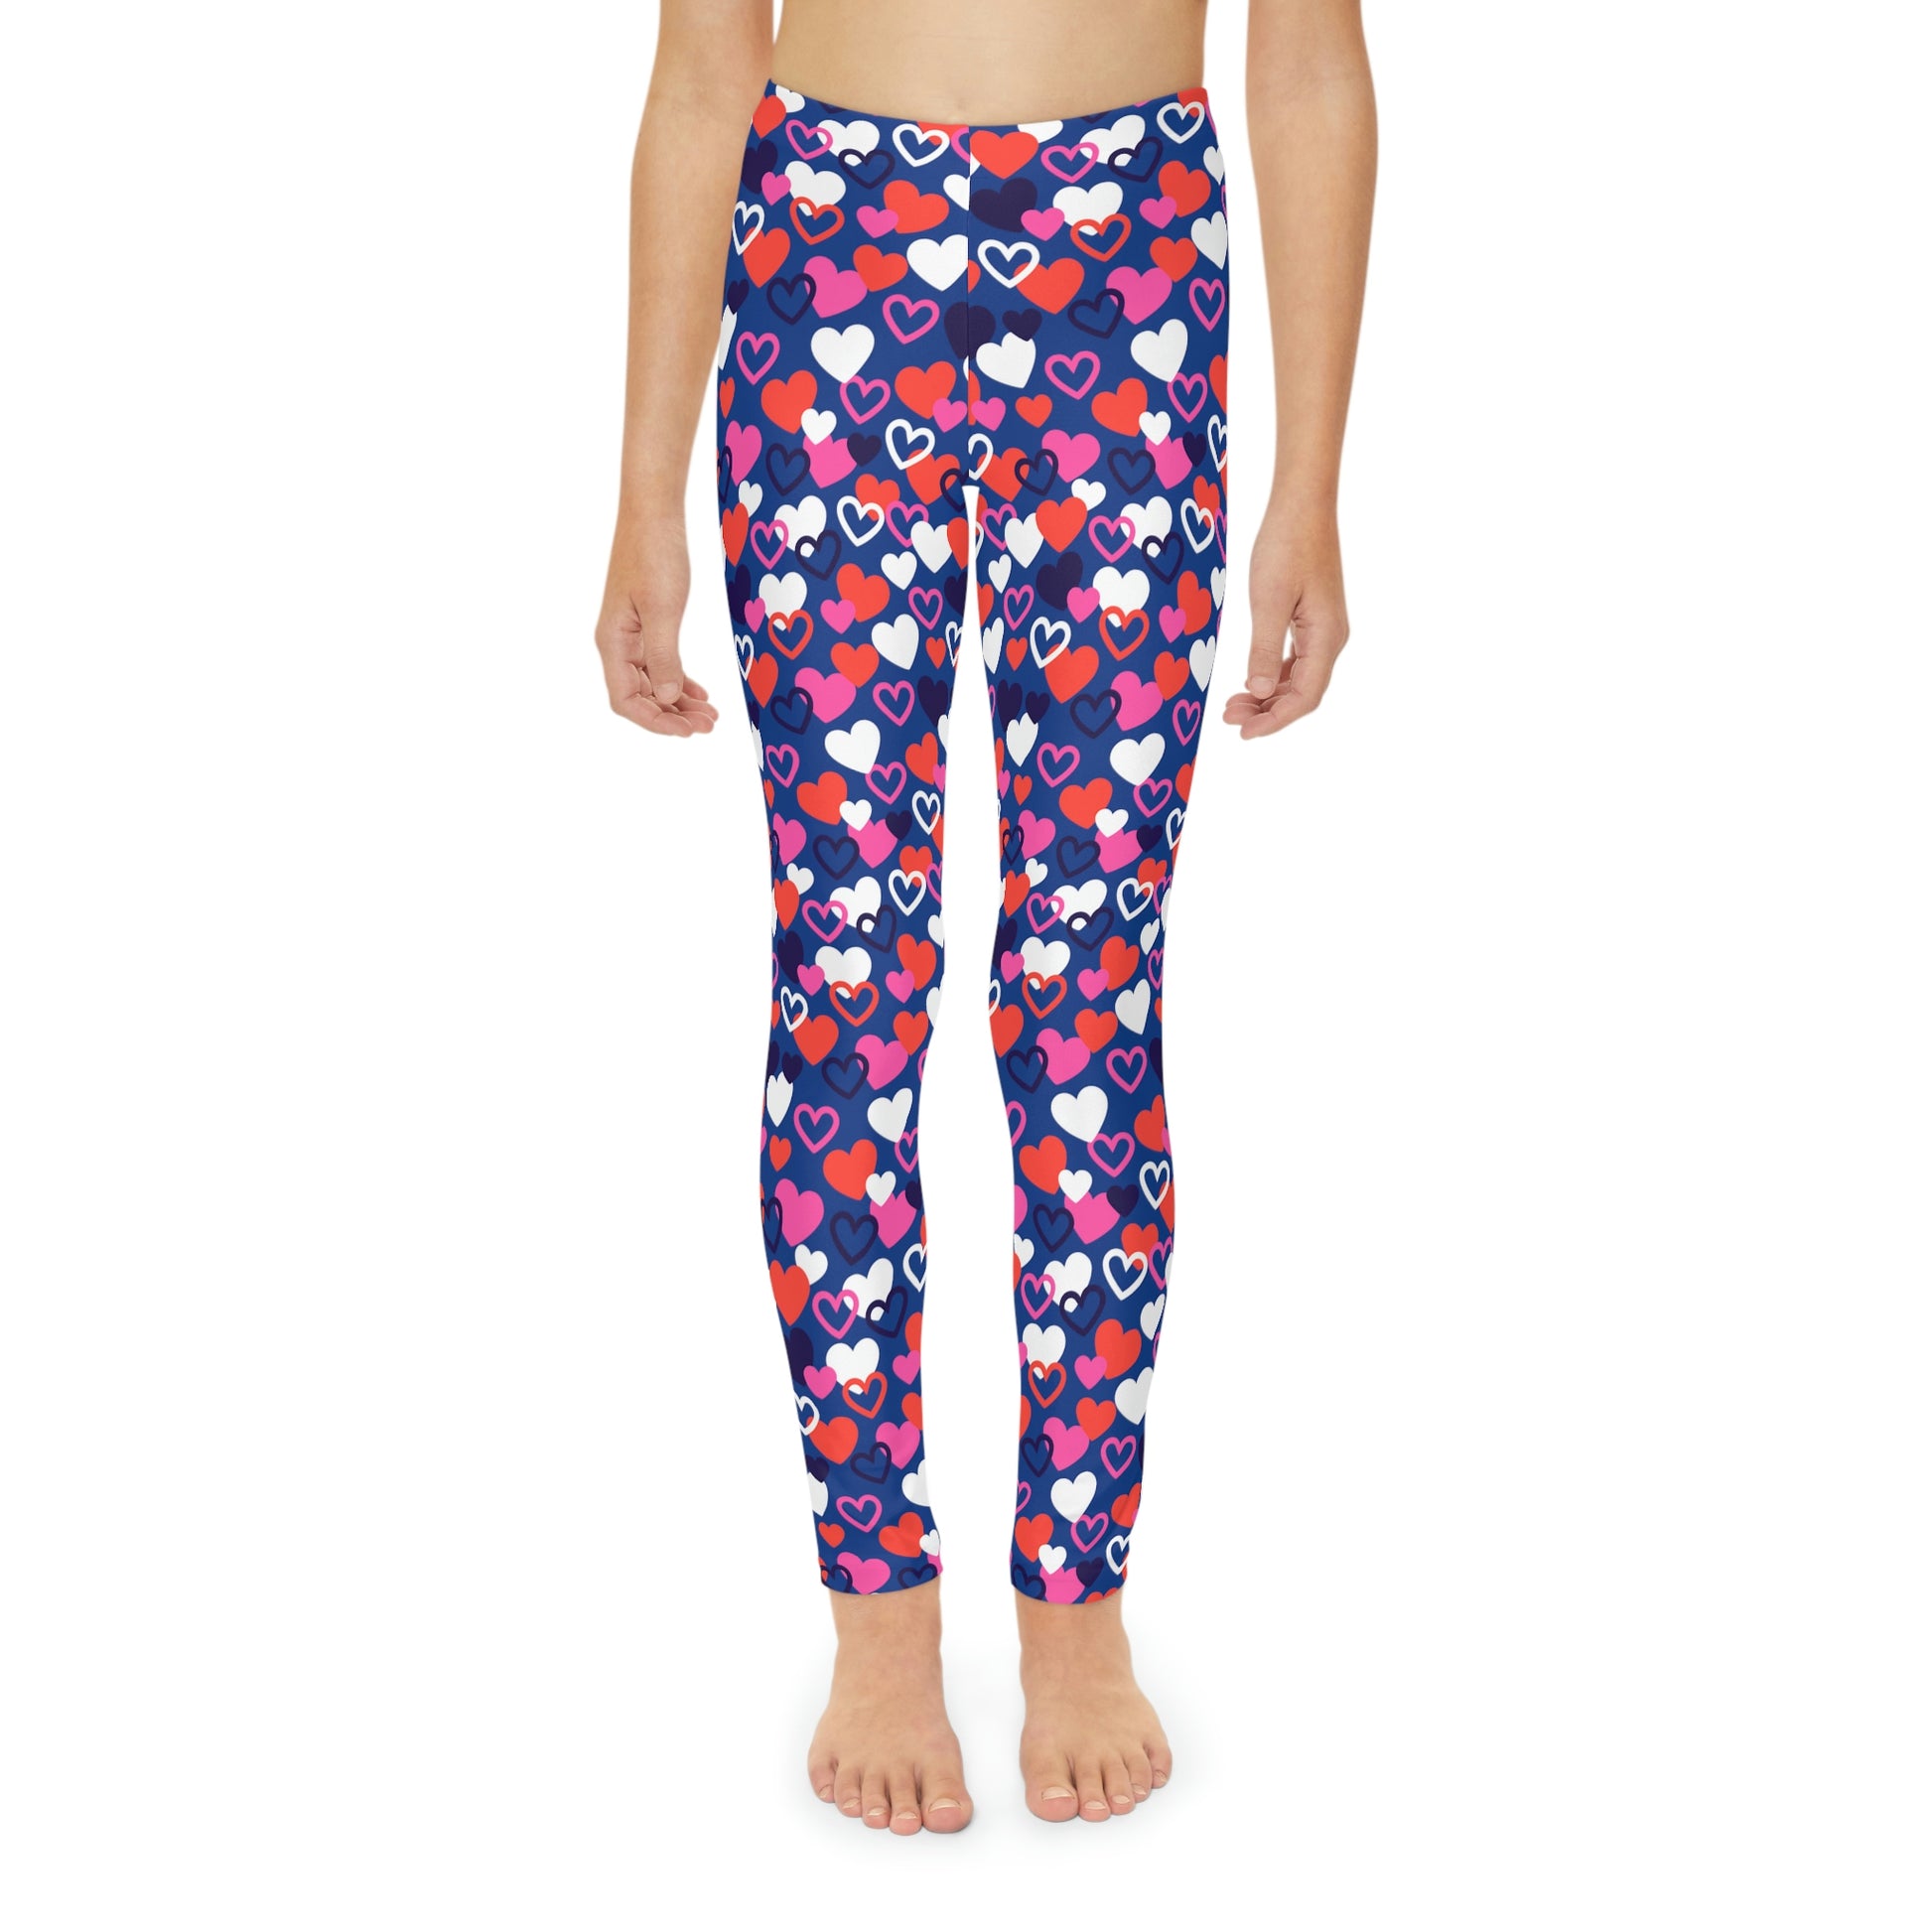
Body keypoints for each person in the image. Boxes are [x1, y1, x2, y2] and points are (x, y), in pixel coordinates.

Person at [593, 0, 1375, 1833]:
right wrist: (642, 494)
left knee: (1087, 995)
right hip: (823, 255)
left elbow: (1309, 56)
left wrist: (1311, 487)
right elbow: (703, 70)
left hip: (1129, 265)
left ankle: (1075, 1609)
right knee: (845, 981)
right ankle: (878, 1618)